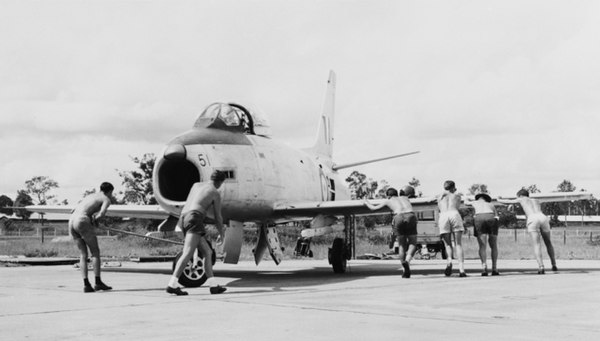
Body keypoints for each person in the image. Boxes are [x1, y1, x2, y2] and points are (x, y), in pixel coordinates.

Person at [166, 170, 227, 295]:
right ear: (221, 182)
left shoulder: (196, 186)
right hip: (195, 218)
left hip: (183, 217)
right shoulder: (215, 193)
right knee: (188, 252)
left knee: (207, 252)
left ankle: (213, 285)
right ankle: (172, 284)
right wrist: (222, 233)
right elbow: (218, 218)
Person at [498, 189, 557, 274]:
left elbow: (507, 202)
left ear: (519, 195)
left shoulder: (521, 199)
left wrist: (498, 199)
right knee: (548, 242)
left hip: (532, 217)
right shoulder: (536, 200)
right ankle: (553, 264)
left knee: (537, 244)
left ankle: (541, 266)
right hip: (542, 217)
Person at [69, 182, 114, 293]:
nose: (111, 195)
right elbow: (101, 214)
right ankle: (98, 283)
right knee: (95, 252)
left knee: (83, 254)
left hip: (71, 221)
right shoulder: (105, 199)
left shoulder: (90, 196)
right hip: (82, 220)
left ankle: (86, 285)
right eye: (111, 193)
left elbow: (73, 210)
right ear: (109, 191)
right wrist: (95, 221)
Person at [364, 186, 418, 278]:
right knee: (413, 242)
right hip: (410, 215)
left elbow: (373, 208)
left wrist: (366, 201)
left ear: (388, 196)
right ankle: (407, 261)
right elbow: (411, 195)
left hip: (398, 217)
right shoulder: (404, 197)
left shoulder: (387, 201)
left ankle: (404, 269)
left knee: (401, 245)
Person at [436, 180, 467, 277]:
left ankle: (449, 261)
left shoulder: (439, 196)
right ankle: (461, 269)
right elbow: (458, 205)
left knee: (447, 244)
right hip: (454, 214)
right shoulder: (457, 196)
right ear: (453, 187)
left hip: (443, 215)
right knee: (458, 244)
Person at [464, 192, 500, 276]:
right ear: (486, 198)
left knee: (482, 245)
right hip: (491, 217)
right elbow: (496, 215)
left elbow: (466, 202)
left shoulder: (475, 202)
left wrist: (466, 197)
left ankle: (484, 267)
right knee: (493, 245)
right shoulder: (491, 204)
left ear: (478, 198)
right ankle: (494, 268)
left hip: (479, 217)